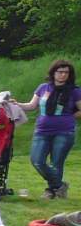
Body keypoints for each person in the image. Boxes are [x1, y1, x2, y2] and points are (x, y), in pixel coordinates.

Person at [33, 59, 79, 199]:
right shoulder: (43, 88)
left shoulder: (75, 91)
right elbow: (31, 105)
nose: (63, 75)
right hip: (42, 131)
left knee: (56, 163)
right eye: (60, 72)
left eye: (66, 72)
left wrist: (69, 116)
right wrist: (15, 104)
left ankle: (51, 191)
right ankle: (59, 186)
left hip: (64, 132)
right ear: (53, 73)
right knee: (37, 160)